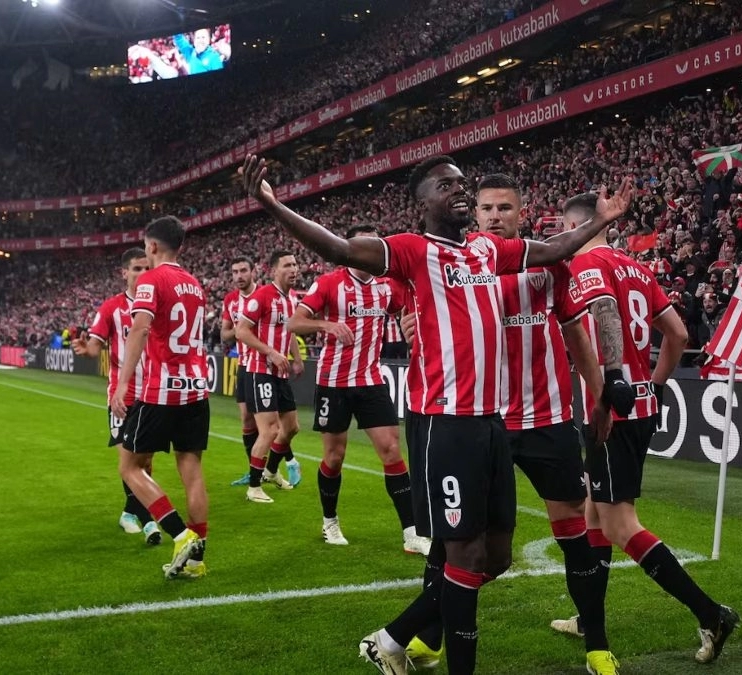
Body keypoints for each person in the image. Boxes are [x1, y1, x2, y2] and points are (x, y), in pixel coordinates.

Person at [240, 153, 632, 675]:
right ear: (421, 203)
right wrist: (273, 205)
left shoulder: (487, 251)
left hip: (492, 422)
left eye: (462, 183)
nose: (460, 191)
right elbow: (336, 247)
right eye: (446, 186)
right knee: (461, 555)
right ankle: (428, 650)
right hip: (446, 424)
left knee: (497, 557)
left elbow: (555, 248)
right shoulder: (411, 251)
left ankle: (391, 639)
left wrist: (601, 219)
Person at [402, 173, 611, 673]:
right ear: (473, 213)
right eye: (487, 208)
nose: (495, 216)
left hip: (547, 417)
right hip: (480, 421)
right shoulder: (452, 263)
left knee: (573, 530)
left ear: (522, 213)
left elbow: (575, 332)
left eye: (505, 208)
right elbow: (417, 321)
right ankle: (429, 639)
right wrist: (406, 324)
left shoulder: (547, 263)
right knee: (453, 541)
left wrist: (600, 395)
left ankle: (597, 644)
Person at [550, 193, 740, 668]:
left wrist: (613, 389)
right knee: (594, 514)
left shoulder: (586, 264)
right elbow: (678, 334)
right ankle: (589, 618)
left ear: (575, 227)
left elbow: (603, 320)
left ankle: (711, 613)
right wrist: (653, 385)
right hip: (639, 405)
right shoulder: (636, 268)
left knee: (618, 523)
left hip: (609, 411)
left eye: (563, 227)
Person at [286, 224, 430, 554]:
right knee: (334, 457)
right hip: (333, 383)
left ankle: (412, 533)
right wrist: (326, 324)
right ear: (350, 249)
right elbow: (295, 322)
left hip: (370, 380)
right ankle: (330, 521)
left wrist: (409, 323)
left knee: (391, 451)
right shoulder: (329, 283)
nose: (368, 252)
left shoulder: (386, 286)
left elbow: (408, 305)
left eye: (373, 246)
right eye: (362, 246)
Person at [109, 216, 209, 580]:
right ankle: (197, 561)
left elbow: (139, 329)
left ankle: (181, 535)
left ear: (151, 246)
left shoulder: (150, 280)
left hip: (161, 391)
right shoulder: (195, 284)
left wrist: (122, 384)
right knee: (191, 471)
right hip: (196, 388)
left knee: (130, 466)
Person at [72, 247, 161, 546]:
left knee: (145, 462)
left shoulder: (159, 304)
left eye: (147, 268)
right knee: (129, 461)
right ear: (124, 273)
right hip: (122, 397)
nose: (143, 274)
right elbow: (95, 346)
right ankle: (150, 522)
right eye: (136, 268)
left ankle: (128, 513)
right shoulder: (112, 307)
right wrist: (87, 349)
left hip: (153, 394)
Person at [235, 250, 305, 503]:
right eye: (287, 265)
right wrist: (272, 352)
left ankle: (272, 471)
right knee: (270, 430)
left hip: (280, 372)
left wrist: (296, 358)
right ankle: (254, 487)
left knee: (292, 427)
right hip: (260, 370)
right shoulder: (262, 296)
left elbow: (289, 330)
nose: (293, 269)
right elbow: (241, 332)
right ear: (273, 270)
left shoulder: (292, 298)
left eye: (295, 264)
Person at [220, 256, 261, 486]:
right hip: (244, 365)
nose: (239, 276)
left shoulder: (265, 295)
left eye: (243, 270)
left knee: (272, 424)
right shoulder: (230, 300)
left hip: (264, 364)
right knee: (246, 418)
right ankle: (254, 471)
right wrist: (240, 329)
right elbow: (224, 334)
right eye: (235, 272)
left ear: (253, 272)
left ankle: (278, 466)